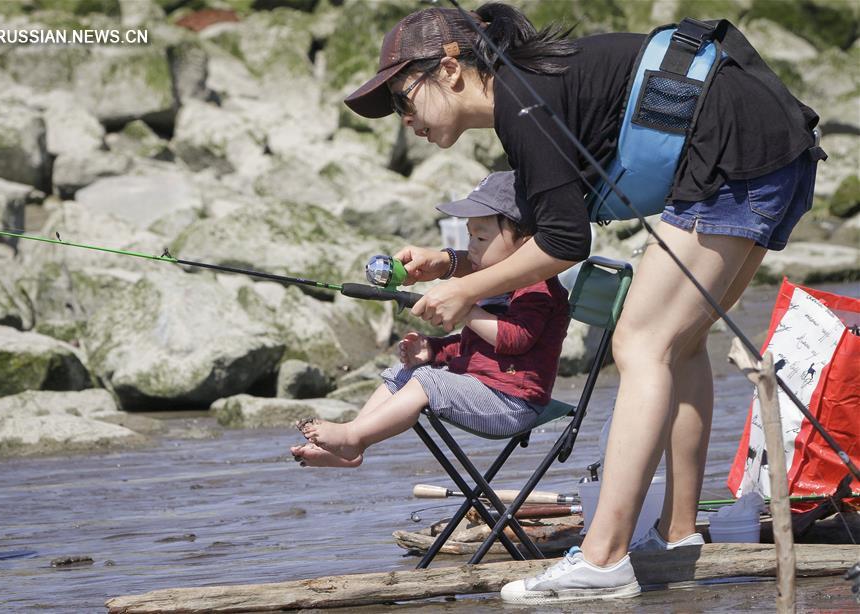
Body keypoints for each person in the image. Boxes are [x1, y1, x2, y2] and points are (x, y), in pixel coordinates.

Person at [343, 2, 822, 603]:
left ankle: (603, 558)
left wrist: (466, 292)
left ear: (450, 67)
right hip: (768, 147)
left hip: (734, 155)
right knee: (680, 343)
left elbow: (566, 243)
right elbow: (542, 225)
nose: (402, 118)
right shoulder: (526, 96)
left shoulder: (520, 104)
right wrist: (454, 265)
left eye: (402, 98)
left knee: (639, 342)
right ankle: (674, 538)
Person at [291, 171, 570, 468]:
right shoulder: (492, 282)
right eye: (470, 235)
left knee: (429, 381)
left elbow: (515, 339)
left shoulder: (537, 289)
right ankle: (353, 444)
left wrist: (465, 308)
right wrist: (435, 350)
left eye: (481, 237)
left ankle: (353, 437)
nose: (471, 246)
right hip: (484, 387)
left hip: (514, 403)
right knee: (405, 371)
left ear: (525, 243)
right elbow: (475, 346)